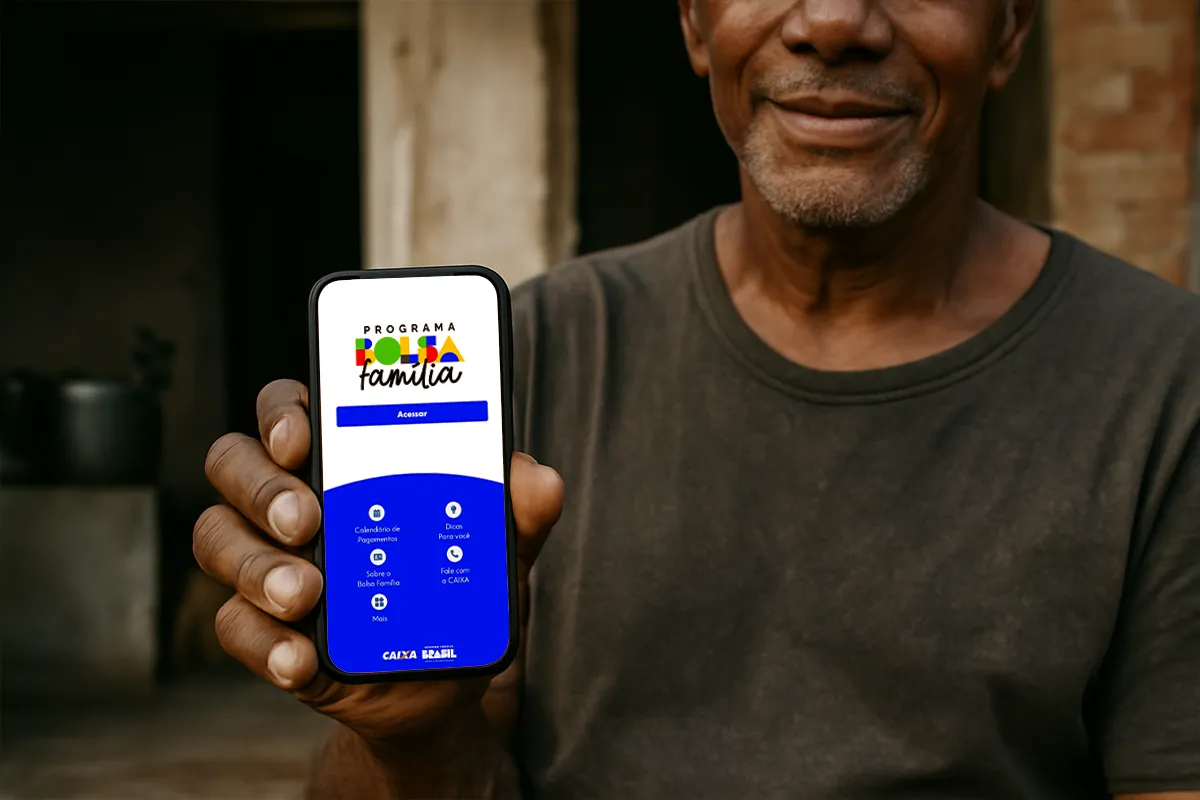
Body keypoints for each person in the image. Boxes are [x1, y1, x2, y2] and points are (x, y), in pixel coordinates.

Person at [192, 1, 1200, 797]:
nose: (835, 20)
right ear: (692, 20)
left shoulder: (1166, 386)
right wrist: (407, 735)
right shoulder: (533, 352)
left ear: (1010, 28)